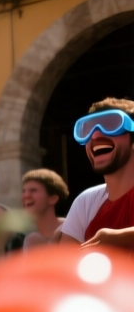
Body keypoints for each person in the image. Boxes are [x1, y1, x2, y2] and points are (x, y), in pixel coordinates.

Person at [60, 98, 134, 249]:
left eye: (111, 125)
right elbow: (65, 259)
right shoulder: (86, 202)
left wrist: (119, 238)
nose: (95, 136)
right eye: (87, 130)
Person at [20, 168, 68, 249]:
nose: (26, 195)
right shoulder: (28, 238)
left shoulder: (70, 228)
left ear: (53, 199)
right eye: (23, 191)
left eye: (33, 190)